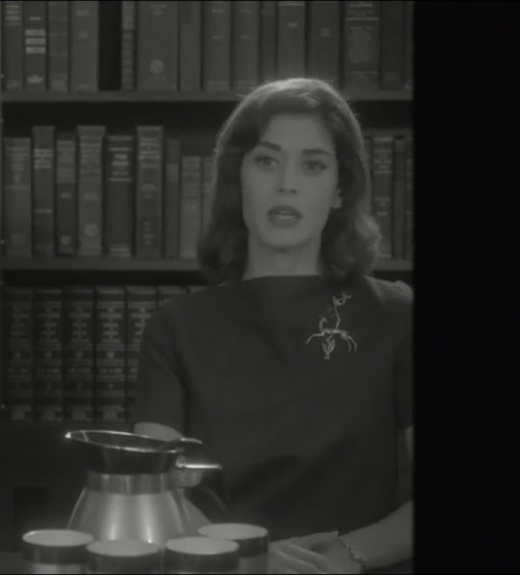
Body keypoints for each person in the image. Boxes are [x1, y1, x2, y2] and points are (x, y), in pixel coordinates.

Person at [133, 78, 412, 574]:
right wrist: (248, 559)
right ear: (236, 177)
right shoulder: (174, 329)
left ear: (340, 190)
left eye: (313, 165)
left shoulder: (397, 315)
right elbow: (147, 493)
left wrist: (344, 557)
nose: (287, 183)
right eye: (266, 161)